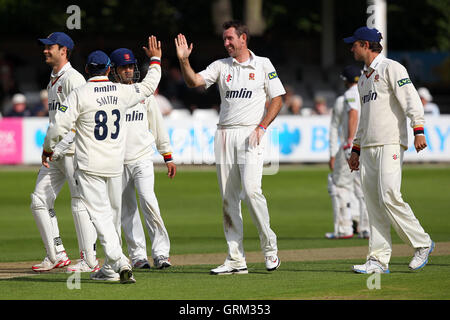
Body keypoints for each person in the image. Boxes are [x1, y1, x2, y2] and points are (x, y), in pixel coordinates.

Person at [42, 36, 163, 284]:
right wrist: (156, 59)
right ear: (109, 69)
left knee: (100, 217)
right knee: (113, 217)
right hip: (116, 166)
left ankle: (120, 261)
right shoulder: (122, 91)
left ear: (87, 70)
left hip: (90, 166)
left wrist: (47, 149)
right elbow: (150, 85)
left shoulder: (79, 94)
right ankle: (109, 268)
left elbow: (57, 127)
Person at [175, 20, 286, 275]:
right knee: (228, 198)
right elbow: (193, 82)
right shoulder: (220, 66)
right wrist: (183, 61)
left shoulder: (263, 64)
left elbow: (278, 99)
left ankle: (270, 250)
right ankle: (236, 259)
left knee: (251, 190)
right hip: (224, 134)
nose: (226, 43)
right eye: (224, 39)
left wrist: (262, 126)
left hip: (251, 133)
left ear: (243, 38)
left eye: (230, 39)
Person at [344, 26, 434, 274]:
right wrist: (356, 150)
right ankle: (378, 260)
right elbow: (364, 120)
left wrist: (418, 129)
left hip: (390, 142)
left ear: (365, 44)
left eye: (354, 44)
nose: (351, 48)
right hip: (369, 147)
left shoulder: (391, 68)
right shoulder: (363, 78)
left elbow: (411, 99)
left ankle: (422, 243)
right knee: (373, 203)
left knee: (389, 196)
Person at [31, 32, 98, 273]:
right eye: (45, 46)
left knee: (80, 204)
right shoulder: (53, 79)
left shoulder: (74, 79)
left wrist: (58, 147)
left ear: (64, 50)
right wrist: (52, 149)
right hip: (57, 154)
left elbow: (80, 120)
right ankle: (56, 254)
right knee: (39, 199)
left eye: (51, 47)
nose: (45, 50)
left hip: (74, 152)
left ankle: (89, 259)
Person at [109, 47, 176, 271]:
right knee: (127, 210)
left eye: (131, 66)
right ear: (115, 70)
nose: (128, 71)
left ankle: (161, 253)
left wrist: (167, 155)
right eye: (123, 67)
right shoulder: (110, 95)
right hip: (118, 161)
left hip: (142, 157)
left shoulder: (143, 94)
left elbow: (157, 125)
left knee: (149, 201)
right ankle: (138, 255)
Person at [326, 65, 369, 240]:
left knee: (339, 185)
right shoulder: (366, 92)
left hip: (351, 148)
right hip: (367, 146)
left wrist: (349, 143)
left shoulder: (350, 94)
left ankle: (344, 229)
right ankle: (366, 228)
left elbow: (353, 113)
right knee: (364, 187)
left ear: (345, 80)